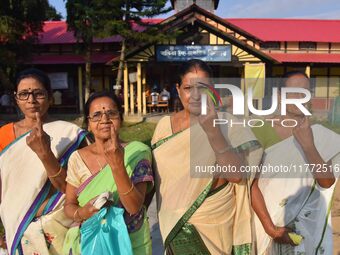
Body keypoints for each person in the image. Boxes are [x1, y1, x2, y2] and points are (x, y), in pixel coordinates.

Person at [151, 59, 262, 254]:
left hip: (215, 223)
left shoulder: (228, 123)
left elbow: (236, 176)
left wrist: (213, 132)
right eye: (187, 88)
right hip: (175, 224)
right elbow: (158, 180)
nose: (194, 95)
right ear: (178, 90)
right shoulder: (163, 127)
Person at [251, 71, 340, 255]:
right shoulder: (259, 130)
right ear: (279, 96)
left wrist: (309, 146)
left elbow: (327, 182)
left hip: (306, 230)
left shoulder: (320, 134)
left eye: (304, 92)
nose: (299, 97)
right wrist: (271, 229)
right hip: (265, 225)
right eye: (292, 92)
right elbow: (250, 185)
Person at [0, 68, 87, 255]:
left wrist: (45, 153)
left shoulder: (69, 135)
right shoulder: (4, 136)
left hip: (58, 226)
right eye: (24, 94)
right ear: (16, 99)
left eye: (38, 93)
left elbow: (72, 187)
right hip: (16, 224)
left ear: (50, 98)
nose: (31, 100)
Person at [63, 92, 153, 255]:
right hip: (91, 242)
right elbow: (69, 205)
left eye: (111, 113)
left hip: (131, 242)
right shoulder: (78, 158)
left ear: (121, 119)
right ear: (88, 124)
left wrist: (117, 164)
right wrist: (82, 213)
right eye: (97, 115)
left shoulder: (138, 152)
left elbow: (133, 207)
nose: (104, 119)